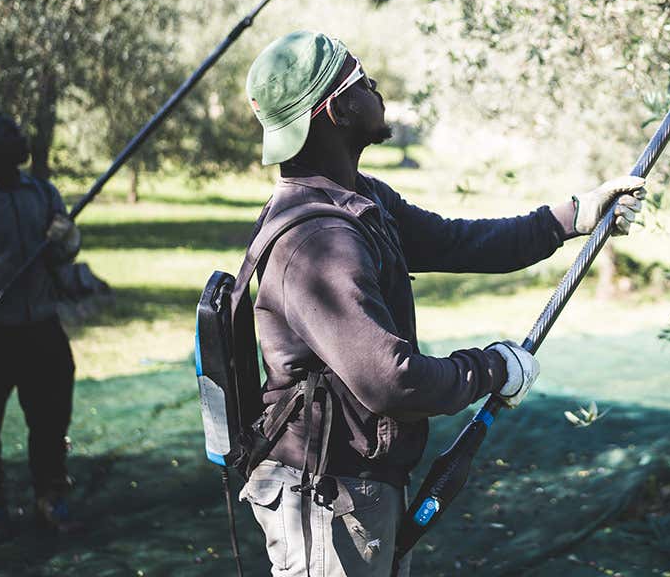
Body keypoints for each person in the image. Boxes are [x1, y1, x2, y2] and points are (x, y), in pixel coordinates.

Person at [238, 31, 646, 576]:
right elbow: (392, 381)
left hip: (354, 487)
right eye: (363, 79)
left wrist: (572, 216)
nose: (376, 88)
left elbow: (459, 241)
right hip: (326, 495)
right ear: (335, 109)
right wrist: (492, 368)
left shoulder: (360, 199)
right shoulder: (318, 240)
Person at [0, 111, 83, 544]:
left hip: (42, 327)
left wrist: (66, 239)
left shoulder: (43, 193)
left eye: (16, 128)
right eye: (4, 132)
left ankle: (50, 496)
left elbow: (64, 256)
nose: (17, 136)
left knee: (49, 420)